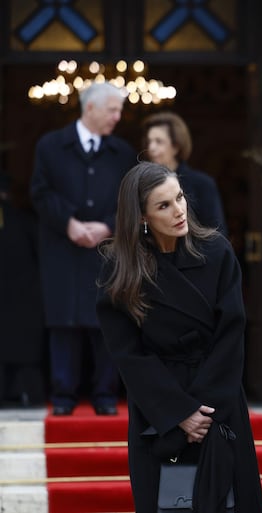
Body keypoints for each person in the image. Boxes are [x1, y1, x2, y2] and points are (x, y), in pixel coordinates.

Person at [96, 162, 262, 513]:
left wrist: (202, 410)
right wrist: (179, 414)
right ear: (142, 217)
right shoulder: (120, 269)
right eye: (164, 206)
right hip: (160, 413)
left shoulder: (216, 252)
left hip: (219, 405)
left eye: (180, 198)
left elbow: (232, 333)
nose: (179, 211)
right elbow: (128, 354)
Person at [30, 82, 135, 415]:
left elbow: (131, 199)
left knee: (106, 321)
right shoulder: (51, 146)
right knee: (63, 322)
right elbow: (40, 192)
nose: (118, 117)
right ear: (90, 108)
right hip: (63, 248)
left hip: (107, 250)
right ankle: (63, 396)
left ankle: (105, 395)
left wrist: (108, 225)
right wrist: (69, 224)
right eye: (113, 110)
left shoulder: (121, 151)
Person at [0, 171, 46, 406]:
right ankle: (33, 396)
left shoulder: (20, 220)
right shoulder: (25, 220)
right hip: (27, 299)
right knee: (27, 355)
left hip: (17, 299)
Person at [142, 111, 227, 235]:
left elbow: (217, 233)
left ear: (176, 146)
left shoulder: (202, 183)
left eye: (159, 142)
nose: (151, 148)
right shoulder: (144, 184)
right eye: (149, 142)